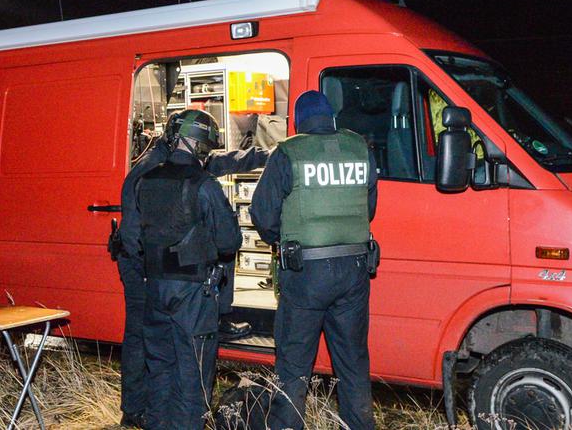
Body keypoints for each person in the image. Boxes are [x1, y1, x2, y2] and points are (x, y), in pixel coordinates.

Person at [117, 115, 267, 427]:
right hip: (192, 295)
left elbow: (133, 238)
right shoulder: (202, 184)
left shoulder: (144, 177)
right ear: (197, 144)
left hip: (155, 288)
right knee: (193, 372)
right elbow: (229, 242)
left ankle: (148, 419)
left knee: (159, 367)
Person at [250, 91, 379, 430]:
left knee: (294, 365)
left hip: (306, 272)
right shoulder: (359, 149)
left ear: (298, 121)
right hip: (354, 269)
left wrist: (284, 240)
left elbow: (262, 213)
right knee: (352, 363)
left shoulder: (288, 152)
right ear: (332, 118)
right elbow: (369, 208)